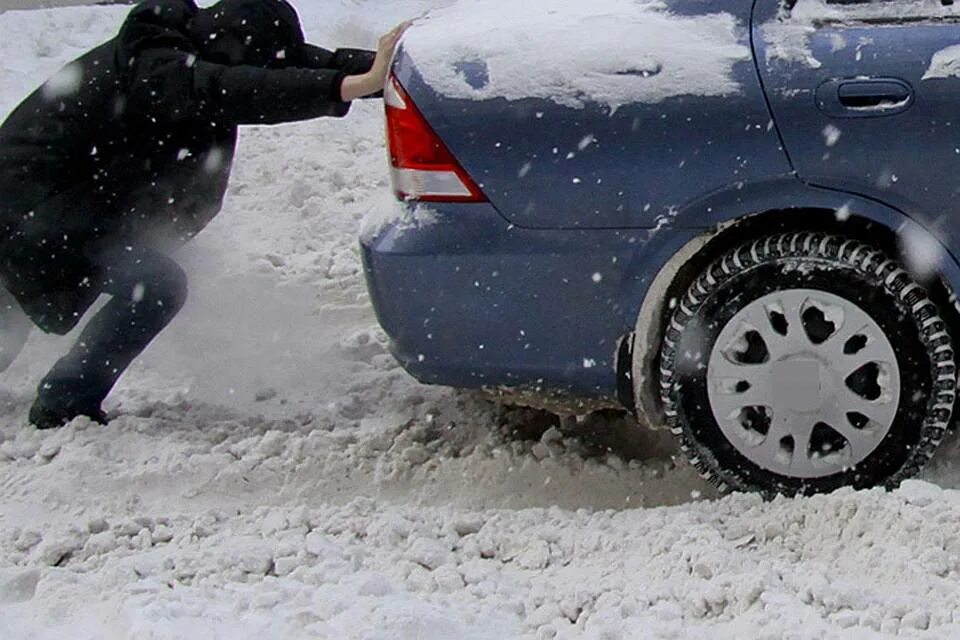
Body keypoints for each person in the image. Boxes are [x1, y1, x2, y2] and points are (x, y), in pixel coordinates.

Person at [0, 0, 409, 429]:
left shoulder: (201, 43)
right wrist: (351, 85)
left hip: (62, 214)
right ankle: (63, 404)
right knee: (155, 286)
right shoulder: (159, 65)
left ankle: (62, 394)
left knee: (23, 302)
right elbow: (230, 87)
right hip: (31, 213)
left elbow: (296, 65)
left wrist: (396, 69)